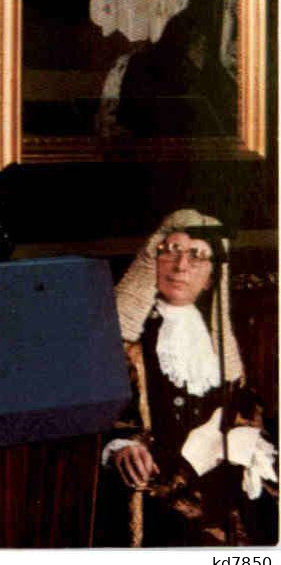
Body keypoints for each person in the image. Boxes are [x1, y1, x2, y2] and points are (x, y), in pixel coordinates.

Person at [99, 208, 277, 546]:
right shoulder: (128, 337)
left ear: (211, 275)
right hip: (158, 489)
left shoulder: (218, 338)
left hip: (218, 486)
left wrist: (244, 438)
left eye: (197, 257)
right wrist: (122, 446)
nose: (181, 266)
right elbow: (109, 413)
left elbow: (243, 404)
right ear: (155, 261)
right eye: (172, 251)